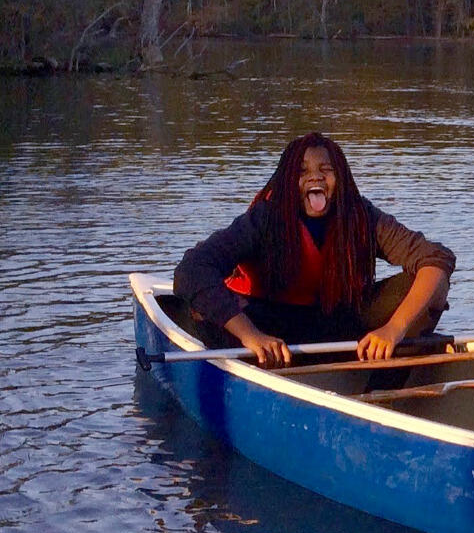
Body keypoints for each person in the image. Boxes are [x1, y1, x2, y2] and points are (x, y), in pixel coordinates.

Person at [174, 132, 455, 367]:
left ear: (340, 178)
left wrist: (394, 329)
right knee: (202, 308)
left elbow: (436, 257)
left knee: (433, 282)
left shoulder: (361, 215)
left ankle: (383, 375)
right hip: (268, 325)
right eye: (302, 171)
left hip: (335, 322)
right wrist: (250, 335)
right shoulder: (264, 219)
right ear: (287, 180)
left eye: (326, 170)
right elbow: (192, 269)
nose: (315, 178)